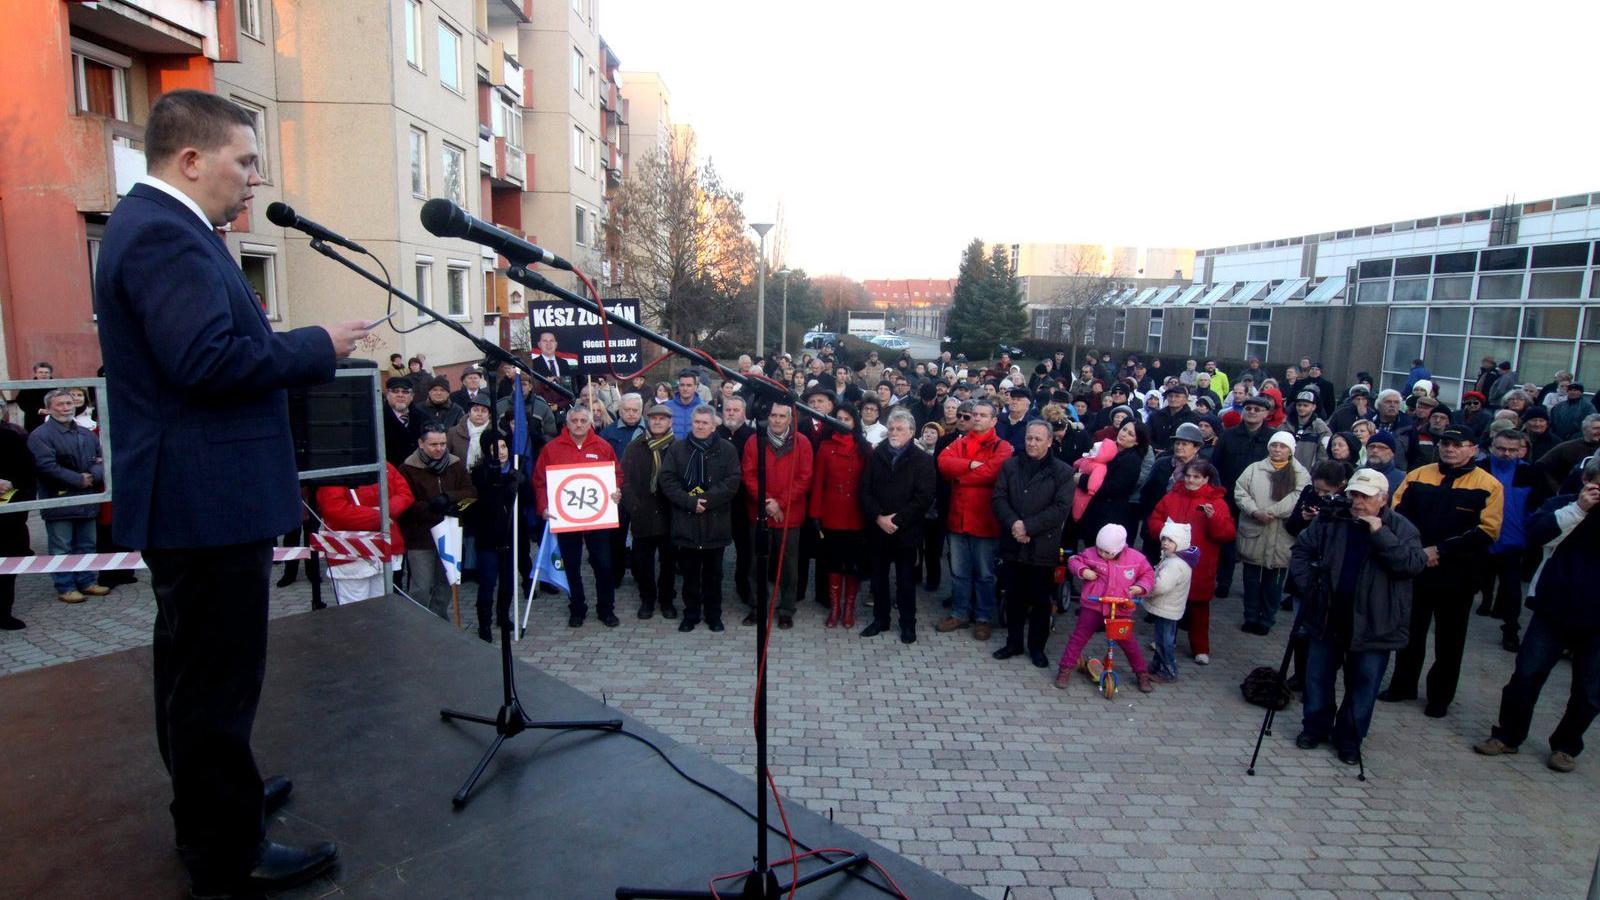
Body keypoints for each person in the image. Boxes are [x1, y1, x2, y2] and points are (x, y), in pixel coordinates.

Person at [93, 89, 372, 894]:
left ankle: (219, 793)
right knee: (214, 679)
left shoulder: (164, 229)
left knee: (193, 669)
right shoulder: (163, 237)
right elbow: (207, 361)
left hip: (197, 495)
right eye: (243, 161)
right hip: (205, 499)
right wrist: (316, 345)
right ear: (190, 160)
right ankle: (225, 846)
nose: (254, 178)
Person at [1290, 468, 1428, 766]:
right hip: (1328, 616)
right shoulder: (1332, 521)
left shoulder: (1400, 528)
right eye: (1354, 494)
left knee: (1364, 685)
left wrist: (1380, 533)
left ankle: (1349, 739)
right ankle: (1315, 727)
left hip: (1374, 623)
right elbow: (1301, 549)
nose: (1357, 502)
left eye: (1365, 496)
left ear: (1383, 499)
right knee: (1318, 678)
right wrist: (1309, 588)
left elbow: (1413, 564)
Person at [1473, 457, 1600, 773]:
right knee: (1526, 677)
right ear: (1586, 480)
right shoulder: (1563, 505)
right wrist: (1579, 510)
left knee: (1589, 692)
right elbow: (1537, 534)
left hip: (1597, 622)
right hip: (1552, 610)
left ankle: (1566, 747)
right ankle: (1508, 736)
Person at [1381, 425, 1504, 718]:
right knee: (1410, 631)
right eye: (1446, 443)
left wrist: (1441, 550)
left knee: (1450, 639)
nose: (1449, 449)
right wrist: (1418, 551)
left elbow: (1488, 531)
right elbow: (1397, 517)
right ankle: (1403, 685)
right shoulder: (1418, 475)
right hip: (1417, 568)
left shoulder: (1488, 485)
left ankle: (1440, 697)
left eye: (1458, 444)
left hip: (1458, 575)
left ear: (1473, 448)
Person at [991, 420, 1074, 667]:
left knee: (1039, 601)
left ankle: (1037, 647)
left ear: (1049, 441)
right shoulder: (1011, 466)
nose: (1032, 443)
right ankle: (1013, 643)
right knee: (1014, 597)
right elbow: (999, 498)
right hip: (1014, 543)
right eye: (1029, 438)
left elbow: (1060, 509)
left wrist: (1029, 526)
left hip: (1042, 547)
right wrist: (1014, 523)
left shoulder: (1063, 472)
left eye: (1038, 439)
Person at [534, 404, 623, 627]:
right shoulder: (551, 449)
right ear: (567, 423)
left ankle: (606, 609)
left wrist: (616, 491)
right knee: (571, 565)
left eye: (583, 421)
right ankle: (577, 607)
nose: (579, 425)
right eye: (574, 421)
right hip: (567, 519)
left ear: (590, 422)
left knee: (603, 564)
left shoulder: (603, 446)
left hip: (598, 518)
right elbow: (539, 482)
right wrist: (544, 506)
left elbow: (616, 475)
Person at [658, 405, 741, 633]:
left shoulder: (727, 450)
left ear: (714, 426)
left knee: (714, 575)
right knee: (690, 575)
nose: (700, 426)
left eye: (705, 423)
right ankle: (691, 614)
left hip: (716, 522)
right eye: (697, 422)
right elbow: (667, 480)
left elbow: (733, 481)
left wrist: (706, 500)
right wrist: (689, 502)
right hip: (687, 521)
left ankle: (714, 615)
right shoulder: (677, 449)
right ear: (691, 423)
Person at [935, 398, 1013, 640]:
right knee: (958, 571)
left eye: (982, 415)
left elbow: (992, 472)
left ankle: (983, 617)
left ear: (993, 420)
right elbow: (943, 463)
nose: (976, 418)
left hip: (985, 520)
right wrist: (970, 464)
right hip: (957, 517)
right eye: (974, 414)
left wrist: (960, 476)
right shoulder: (960, 441)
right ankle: (959, 613)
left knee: (985, 574)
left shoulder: (1003, 447)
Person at [859, 409, 937, 643]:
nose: (894, 432)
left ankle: (907, 624)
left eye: (900, 429)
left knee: (905, 581)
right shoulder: (876, 455)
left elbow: (924, 497)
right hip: (878, 528)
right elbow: (865, 490)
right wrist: (879, 518)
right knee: (879, 578)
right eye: (891, 428)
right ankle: (881, 619)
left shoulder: (922, 460)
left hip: (906, 531)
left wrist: (897, 520)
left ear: (912, 432)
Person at [27, 389, 111, 603]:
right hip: (59, 501)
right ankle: (65, 586)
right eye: (60, 404)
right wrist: (77, 479)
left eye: (69, 403)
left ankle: (88, 581)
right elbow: (46, 467)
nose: (66, 407)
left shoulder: (85, 433)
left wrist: (93, 475)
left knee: (87, 544)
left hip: (87, 500)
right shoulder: (40, 435)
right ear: (49, 408)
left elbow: (100, 459)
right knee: (61, 547)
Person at [740, 399, 813, 629]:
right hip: (760, 513)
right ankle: (756, 607)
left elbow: (805, 478)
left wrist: (779, 503)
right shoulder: (754, 441)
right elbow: (748, 475)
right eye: (773, 416)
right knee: (756, 564)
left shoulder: (802, 442)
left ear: (790, 419)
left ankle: (786, 609)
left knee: (789, 566)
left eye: (782, 416)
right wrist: (767, 502)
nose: (777, 420)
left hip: (789, 514)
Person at [1056, 524, 1154, 693]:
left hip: (1121, 608)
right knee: (1079, 637)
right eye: (1100, 550)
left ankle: (1142, 674)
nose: (1102, 554)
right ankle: (1065, 669)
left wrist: (1140, 587)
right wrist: (1083, 570)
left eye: (1107, 552)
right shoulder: (1091, 554)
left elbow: (1148, 574)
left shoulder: (1135, 559)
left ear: (1120, 548)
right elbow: (1074, 561)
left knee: (1129, 642)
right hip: (1094, 606)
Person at [1477, 429, 1548, 652]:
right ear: (1491, 447)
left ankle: (1511, 630)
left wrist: (1529, 530)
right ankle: (1486, 602)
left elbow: (1540, 506)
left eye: (1512, 450)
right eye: (1501, 449)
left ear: (1521, 451)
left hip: (1513, 541)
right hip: (1480, 538)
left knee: (1511, 588)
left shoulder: (1531, 473)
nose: (1506, 453)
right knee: (1481, 579)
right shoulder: (1480, 469)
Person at [1234, 432, 1311, 635]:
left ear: (1290, 450)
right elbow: (1241, 491)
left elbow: (1298, 496)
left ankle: (1267, 619)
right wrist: (1254, 511)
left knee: (1274, 584)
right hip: (1255, 532)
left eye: (1282, 446)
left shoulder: (1300, 473)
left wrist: (1272, 512)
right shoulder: (1254, 469)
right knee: (1251, 580)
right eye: (1274, 445)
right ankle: (1250, 616)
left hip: (1281, 536)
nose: (1277, 449)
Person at [398, 423, 477, 621]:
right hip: (421, 537)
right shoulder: (408, 468)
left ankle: (438, 620)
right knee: (421, 586)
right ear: (421, 444)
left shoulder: (454, 464)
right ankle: (417, 621)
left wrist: (450, 500)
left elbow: (471, 493)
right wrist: (431, 508)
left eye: (442, 443)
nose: (439, 448)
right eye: (433, 444)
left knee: (446, 583)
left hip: (449, 534)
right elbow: (406, 505)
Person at [315, 463, 413, 605]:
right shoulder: (335, 470)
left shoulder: (383, 464)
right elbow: (335, 510)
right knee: (354, 614)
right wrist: (379, 515)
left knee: (382, 609)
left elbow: (404, 494)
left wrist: (383, 511)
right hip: (351, 555)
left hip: (383, 550)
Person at [809, 402, 870, 628]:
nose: (843, 422)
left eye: (847, 419)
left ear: (855, 422)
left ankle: (849, 608)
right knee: (834, 563)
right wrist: (815, 513)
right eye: (839, 418)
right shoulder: (825, 447)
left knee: (851, 564)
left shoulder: (865, 448)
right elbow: (817, 483)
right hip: (832, 512)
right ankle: (835, 608)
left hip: (856, 514)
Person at [619, 404, 678, 619]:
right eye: (654, 419)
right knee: (643, 562)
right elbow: (623, 479)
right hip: (642, 514)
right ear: (648, 421)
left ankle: (666, 601)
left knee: (669, 563)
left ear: (670, 422)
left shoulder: (678, 447)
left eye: (662, 419)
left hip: (669, 515)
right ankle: (647, 599)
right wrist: (633, 505)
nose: (658, 422)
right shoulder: (636, 446)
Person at [1211, 394, 1274, 597]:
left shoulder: (1272, 439)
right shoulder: (1228, 436)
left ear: (1266, 413)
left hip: (1258, 499)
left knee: (1253, 542)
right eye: (1249, 409)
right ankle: (1224, 580)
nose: (1252, 412)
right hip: (1228, 496)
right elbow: (1215, 465)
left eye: (1257, 409)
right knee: (1227, 540)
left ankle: (1253, 587)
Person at [716, 394, 757, 610]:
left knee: (745, 551)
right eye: (727, 410)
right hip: (718, 506)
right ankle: (714, 592)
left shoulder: (753, 437)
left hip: (744, 504)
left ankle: (744, 588)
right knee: (716, 551)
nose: (731, 413)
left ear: (744, 413)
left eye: (735, 410)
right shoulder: (715, 435)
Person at [1146, 522, 1199, 683]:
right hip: (1169, 607)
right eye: (1164, 539)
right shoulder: (1173, 559)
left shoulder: (1174, 564)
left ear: (1180, 543)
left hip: (1167, 607)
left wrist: (1146, 589)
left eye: (1170, 540)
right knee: (1162, 640)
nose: (1165, 543)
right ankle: (1156, 666)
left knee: (1164, 641)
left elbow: (1161, 586)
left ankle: (1168, 671)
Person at [530, 330, 584, 405]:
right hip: (545, 406)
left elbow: (574, 384)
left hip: (567, 405)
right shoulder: (533, 364)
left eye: (551, 341)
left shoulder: (565, 363)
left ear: (556, 344)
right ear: (539, 344)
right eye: (545, 341)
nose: (548, 344)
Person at [1284, 389, 1330, 472]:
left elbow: (1324, 455)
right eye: (1299, 405)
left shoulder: (1322, 429)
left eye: (1305, 405)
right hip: (1283, 471)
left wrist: (1316, 472)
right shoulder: (1284, 425)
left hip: (1308, 474)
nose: (1301, 408)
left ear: (1313, 407)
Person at [382, 378, 421, 465]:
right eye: (395, 391)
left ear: (412, 396)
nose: (400, 395)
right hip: (391, 474)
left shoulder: (422, 417)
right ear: (387, 394)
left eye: (405, 392)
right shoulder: (379, 420)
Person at [447, 397, 493, 470]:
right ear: (469, 412)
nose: (479, 414)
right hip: (458, 476)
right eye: (476, 410)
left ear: (489, 414)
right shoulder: (453, 432)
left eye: (484, 411)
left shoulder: (495, 434)